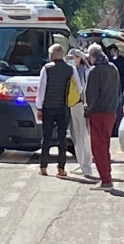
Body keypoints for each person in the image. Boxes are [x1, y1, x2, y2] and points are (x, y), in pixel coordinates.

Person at [35, 44, 81, 177]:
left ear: (52, 55)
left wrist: (39, 107)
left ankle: (43, 166)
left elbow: (41, 89)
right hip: (63, 107)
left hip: (48, 107)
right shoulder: (71, 69)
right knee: (62, 138)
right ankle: (61, 168)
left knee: (47, 137)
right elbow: (78, 87)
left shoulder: (47, 69)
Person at [84, 44, 120, 190]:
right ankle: (107, 176)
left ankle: (105, 180)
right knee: (105, 145)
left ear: (92, 56)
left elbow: (90, 95)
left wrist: (87, 109)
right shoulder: (113, 68)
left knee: (98, 147)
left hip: (98, 112)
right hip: (111, 111)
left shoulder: (95, 71)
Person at [67, 48, 93, 176]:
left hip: (82, 105)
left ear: (80, 58)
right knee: (75, 135)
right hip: (73, 105)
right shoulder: (70, 71)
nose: (72, 60)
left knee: (84, 135)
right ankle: (81, 163)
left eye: (75, 57)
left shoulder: (86, 71)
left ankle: (86, 166)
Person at [106, 44, 124, 136]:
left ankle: (112, 130)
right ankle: (117, 130)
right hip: (122, 88)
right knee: (120, 111)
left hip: (112, 88)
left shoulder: (111, 63)